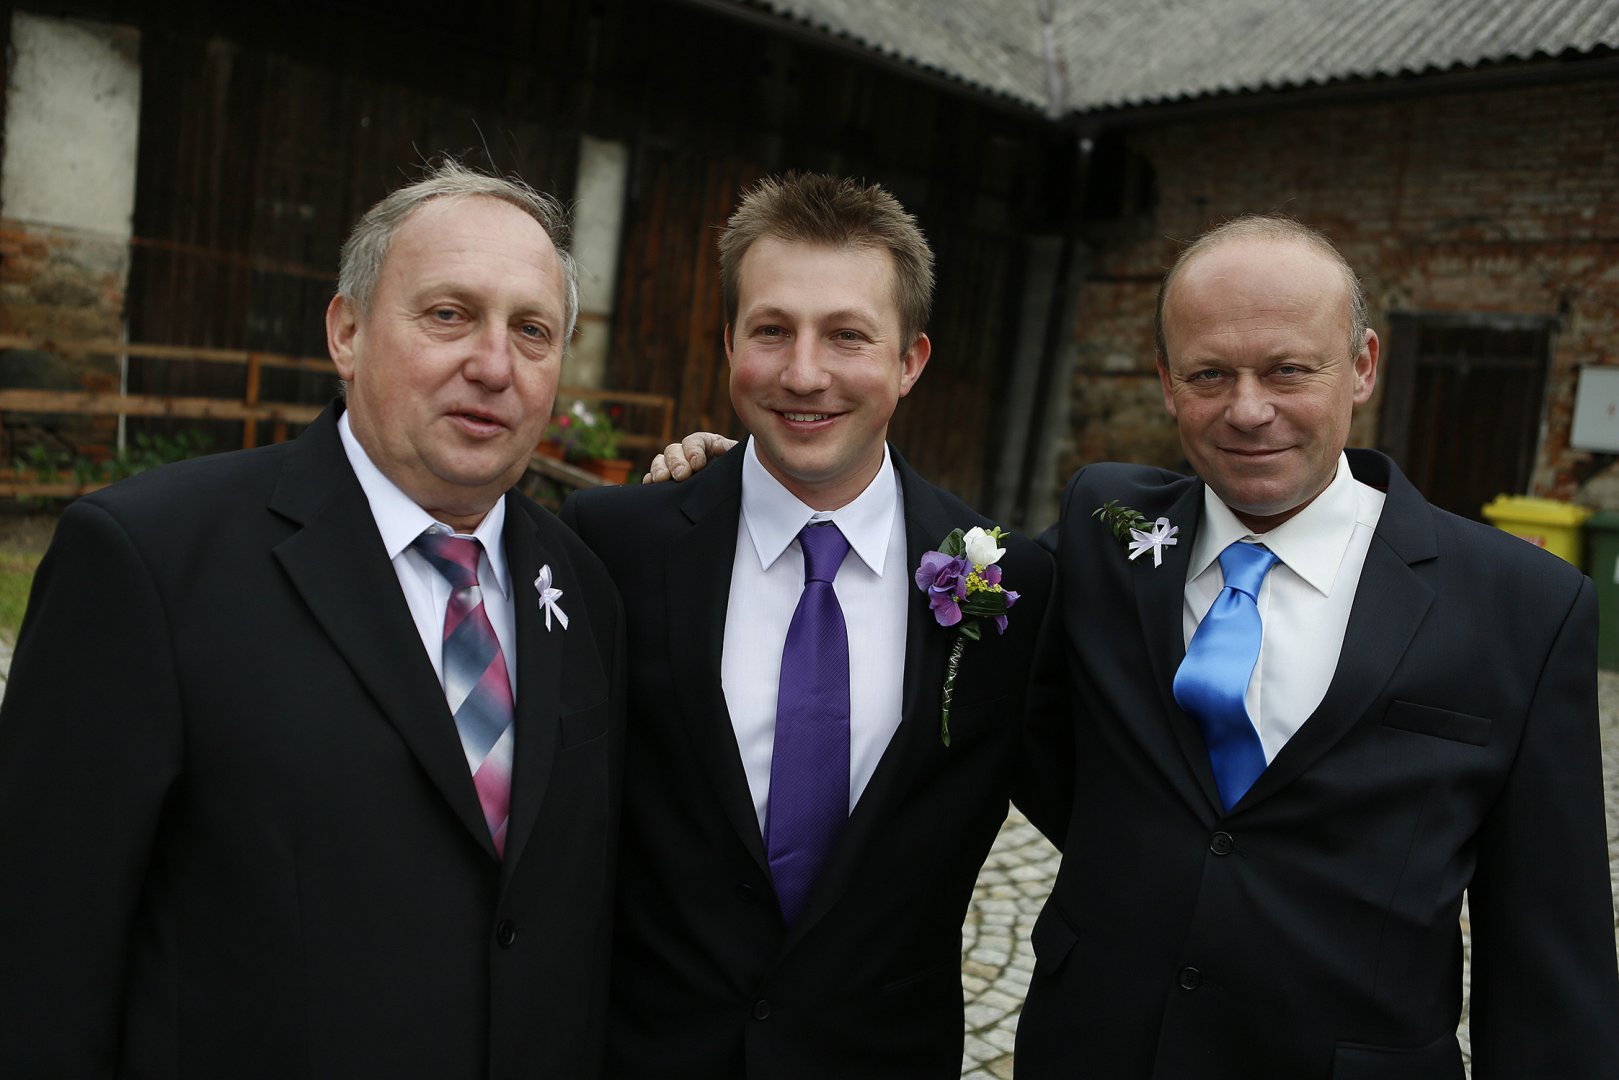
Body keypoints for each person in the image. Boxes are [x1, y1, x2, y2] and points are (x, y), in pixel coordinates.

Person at [0, 160, 626, 1079]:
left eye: (531, 331)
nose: (494, 366)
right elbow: (40, 951)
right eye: (448, 314)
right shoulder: (150, 562)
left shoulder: (582, 586)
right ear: (347, 331)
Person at [1011, 215, 1619, 1077]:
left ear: (1362, 365)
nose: (1247, 409)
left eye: (1287, 370)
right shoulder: (1101, 527)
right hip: (1096, 1047)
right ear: (1166, 382)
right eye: (1209, 374)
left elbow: (1548, 945)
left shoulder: (1523, 606)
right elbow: (1002, 695)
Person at [561, 173, 1052, 1079]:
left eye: (847, 336)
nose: (802, 374)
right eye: (771, 330)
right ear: (728, 344)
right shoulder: (614, 544)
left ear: (910, 361)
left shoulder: (1005, 583)